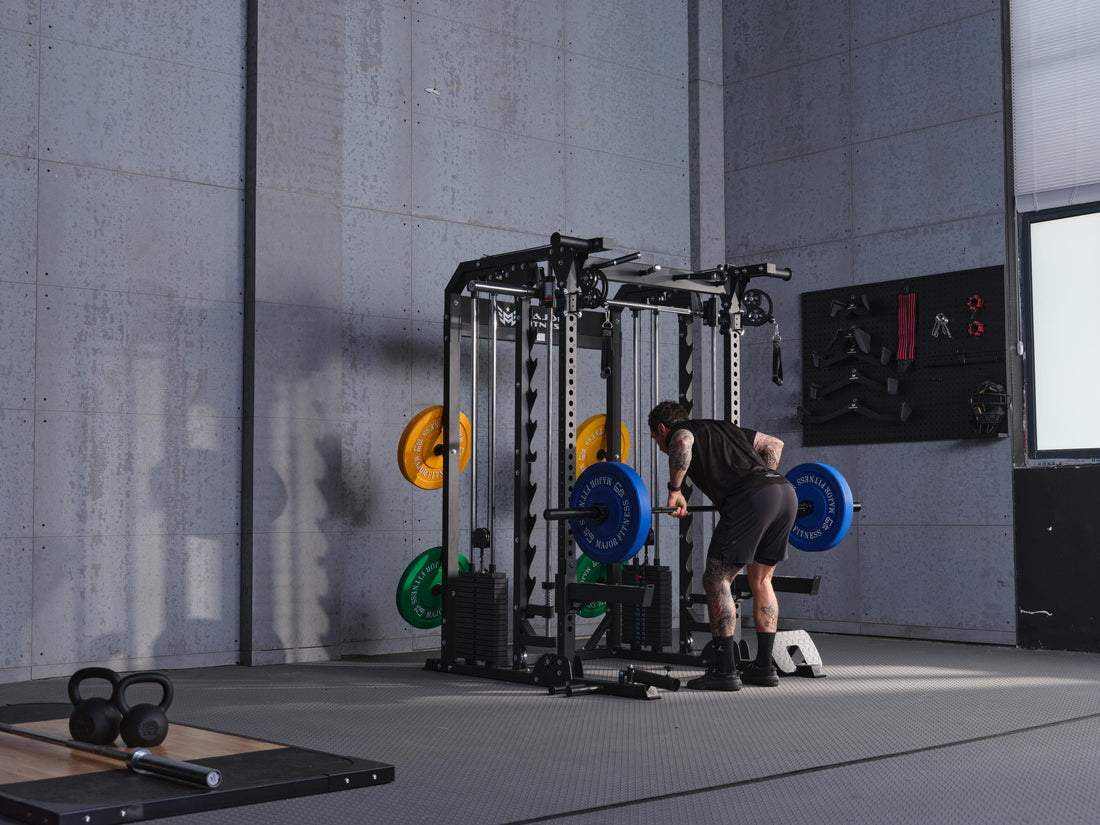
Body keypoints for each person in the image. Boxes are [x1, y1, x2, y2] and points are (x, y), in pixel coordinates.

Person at [648, 400, 798, 691]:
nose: (659, 446)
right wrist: (760, 477)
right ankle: (764, 669)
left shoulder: (682, 431)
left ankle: (726, 670)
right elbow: (774, 445)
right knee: (762, 579)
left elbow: (682, 441)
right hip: (783, 492)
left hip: (753, 499)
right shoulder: (724, 428)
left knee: (717, 579)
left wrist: (675, 491)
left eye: (656, 439)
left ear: (662, 428)